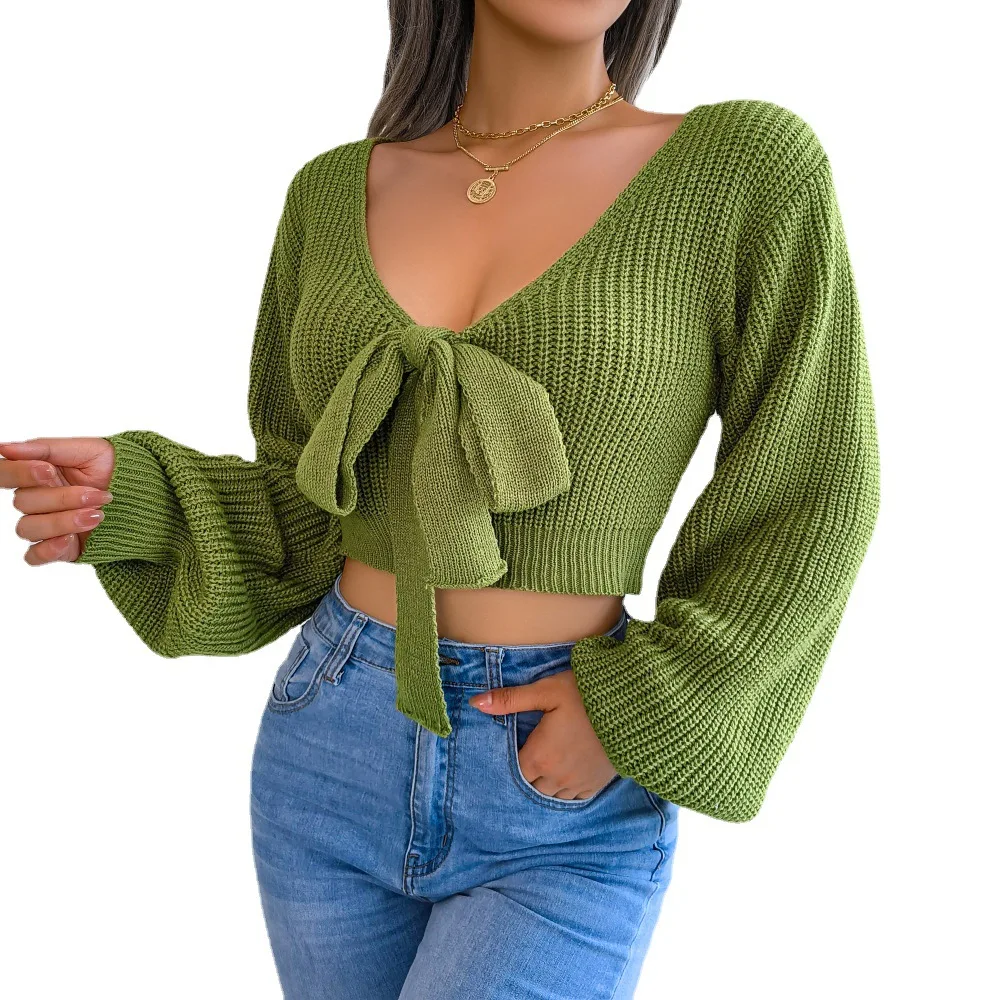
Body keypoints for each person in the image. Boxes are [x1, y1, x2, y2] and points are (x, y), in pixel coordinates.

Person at [0, 1, 880, 997]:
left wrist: (634, 707)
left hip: (559, 783)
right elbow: (307, 502)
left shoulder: (744, 169)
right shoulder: (332, 193)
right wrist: (138, 498)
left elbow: (815, 482)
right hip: (330, 743)